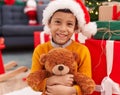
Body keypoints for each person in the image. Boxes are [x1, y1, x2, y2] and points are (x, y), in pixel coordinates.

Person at [30, 0, 97, 95]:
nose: (62, 29)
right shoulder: (40, 50)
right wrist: (51, 80)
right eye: (57, 22)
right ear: (49, 23)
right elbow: (33, 81)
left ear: (75, 27)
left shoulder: (82, 50)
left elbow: (87, 83)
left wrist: (71, 90)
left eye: (69, 24)